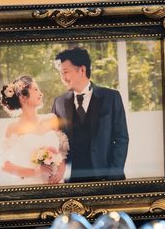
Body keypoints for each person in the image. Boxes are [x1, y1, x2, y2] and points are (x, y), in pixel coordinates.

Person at [51, 47, 128, 182]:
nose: (63, 78)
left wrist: (113, 176)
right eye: (60, 73)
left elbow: (121, 138)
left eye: (65, 72)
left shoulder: (111, 97)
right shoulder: (59, 102)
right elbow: (54, 140)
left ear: (82, 70)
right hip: (72, 180)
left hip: (106, 178)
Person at [0, 75, 68, 186]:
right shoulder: (14, 127)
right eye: (35, 89)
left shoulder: (51, 119)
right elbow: (3, 164)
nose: (41, 93)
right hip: (31, 184)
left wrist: (60, 172)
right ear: (23, 97)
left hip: (55, 184)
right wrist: (35, 172)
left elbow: (62, 151)